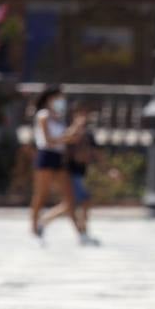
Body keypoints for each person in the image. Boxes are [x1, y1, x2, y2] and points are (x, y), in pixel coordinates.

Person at [29, 86, 89, 242]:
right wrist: (68, 134)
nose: (61, 101)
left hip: (59, 157)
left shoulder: (59, 118)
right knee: (41, 195)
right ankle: (34, 228)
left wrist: (77, 127)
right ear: (50, 98)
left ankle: (80, 233)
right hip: (46, 157)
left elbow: (69, 139)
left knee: (70, 198)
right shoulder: (43, 116)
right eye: (58, 98)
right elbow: (49, 141)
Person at [66, 131, 100, 245]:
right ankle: (83, 233)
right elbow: (77, 156)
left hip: (80, 174)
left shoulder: (89, 135)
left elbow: (95, 154)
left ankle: (44, 221)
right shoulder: (71, 133)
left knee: (69, 204)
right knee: (85, 200)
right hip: (71, 174)